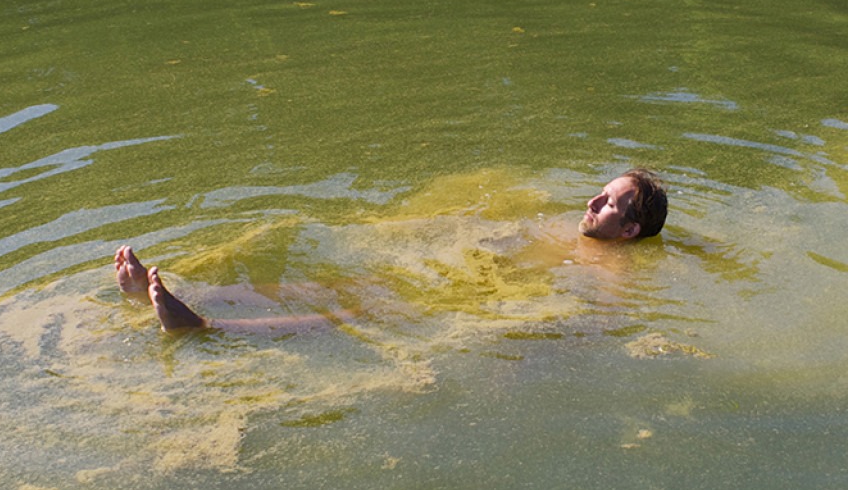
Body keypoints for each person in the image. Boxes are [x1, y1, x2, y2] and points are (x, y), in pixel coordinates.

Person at [116, 169, 667, 332]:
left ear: (629, 232)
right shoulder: (561, 229)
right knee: (326, 288)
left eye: (610, 203)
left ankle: (206, 326)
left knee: (346, 314)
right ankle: (180, 293)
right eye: (601, 190)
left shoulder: (616, 271)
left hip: (448, 308)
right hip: (436, 279)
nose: (592, 200)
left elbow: (600, 323)